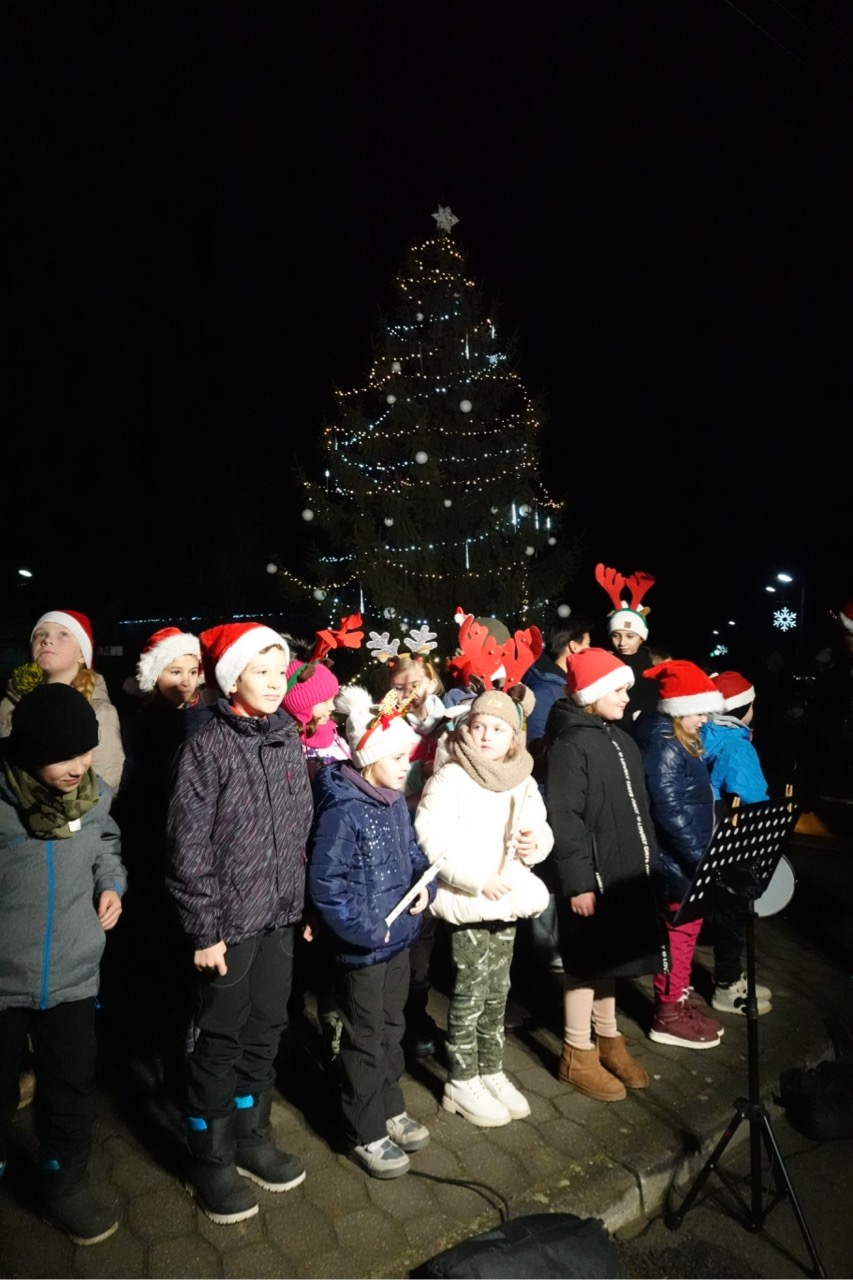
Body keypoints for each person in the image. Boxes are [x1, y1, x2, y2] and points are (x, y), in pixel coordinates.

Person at [165, 622, 313, 1225]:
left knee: (267, 1027)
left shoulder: (287, 739)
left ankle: (252, 1136)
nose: (276, 683)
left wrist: (304, 905)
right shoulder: (206, 746)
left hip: (279, 918)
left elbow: (300, 829)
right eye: (261, 671)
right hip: (228, 925)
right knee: (220, 1039)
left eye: (281, 672)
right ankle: (212, 1155)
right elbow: (187, 845)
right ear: (232, 679)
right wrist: (204, 930)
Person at [0, 683, 126, 1245]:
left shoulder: (94, 797)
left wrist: (111, 884)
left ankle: (64, 1185)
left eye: (85, 751)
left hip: (74, 974)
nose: (79, 766)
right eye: (63, 756)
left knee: (71, 1087)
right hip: (3, 982)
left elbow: (106, 846)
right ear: (30, 753)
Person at [307, 687, 434, 1179]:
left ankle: (389, 1105)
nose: (406, 766)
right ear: (369, 757)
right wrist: (364, 931)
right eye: (397, 757)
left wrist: (426, 885)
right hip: (364, 950)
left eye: (408, 756)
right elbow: (327, 883)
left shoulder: (393, 801)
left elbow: (415, 854)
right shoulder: (345, 809)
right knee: (363, 1037)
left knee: (391, 1027)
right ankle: (364, 1129)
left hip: (397, 940)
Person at [414, 685, 554, 1127]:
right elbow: (431, 837)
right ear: (466, 729)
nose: (487, 735)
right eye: (479, 726)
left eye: (498, 728)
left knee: (499, 990)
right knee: (471, 991)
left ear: (514, 738)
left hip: (508, 896)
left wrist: (535, 843)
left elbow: (540, 827)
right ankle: (461, 1078)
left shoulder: (521, 779)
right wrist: (476, 878)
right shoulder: (451, 777)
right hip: (472, 898)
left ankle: (490, 1068)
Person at [544, 649, 666, 1100]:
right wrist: (578, 883)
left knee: (611, 957)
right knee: (586, 963)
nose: (627, 696)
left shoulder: (619, 737)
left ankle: (608, 1037)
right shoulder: (571, 745)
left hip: (620, 870)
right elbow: (566, 818)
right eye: (617, 689)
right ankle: (577, 1050)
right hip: (590, 877)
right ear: (591, 694)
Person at [111, 628, 205, 1090]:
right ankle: (142, 1053)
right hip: (147, 853)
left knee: (184, 961)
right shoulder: (137, 722)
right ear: (154, 676)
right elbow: (131, 791)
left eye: (192, 671)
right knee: (147, 958)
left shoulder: (203, 719)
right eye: (174, 671)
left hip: (188, 858)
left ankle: (179, 1050)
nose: (185, 681)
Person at [633, 660, 726, 1049]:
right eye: (698, 710)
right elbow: (669, 810)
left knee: (687, 931)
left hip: (688, 859)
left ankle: (679, 996)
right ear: (677, 708)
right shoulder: (666, 745)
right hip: (678, 862)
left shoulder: (678, 739)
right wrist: (700, 858)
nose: (704, 718)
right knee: (679, 934)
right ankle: (668, 1013)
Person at [701, 671, 773, 1016]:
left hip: (705, 834)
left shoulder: (704, 733)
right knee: (733, 914)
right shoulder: (737, 746)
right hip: (733, 840)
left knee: (715, 911)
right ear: (743, 709)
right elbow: (753, 798)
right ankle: (727, 984)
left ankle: (728, 976)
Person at [0, 609, 124, 791]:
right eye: (40, 634)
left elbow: (105, 785)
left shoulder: (99, 710)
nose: (47, 640)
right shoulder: (10, 701)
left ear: (82, 655)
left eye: (63, 634)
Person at [594, 565, 658, 730]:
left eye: (630, 636)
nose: (622, 643)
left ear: (641, 638)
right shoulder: (604, 664)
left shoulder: (650, 670)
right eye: (616, 635)